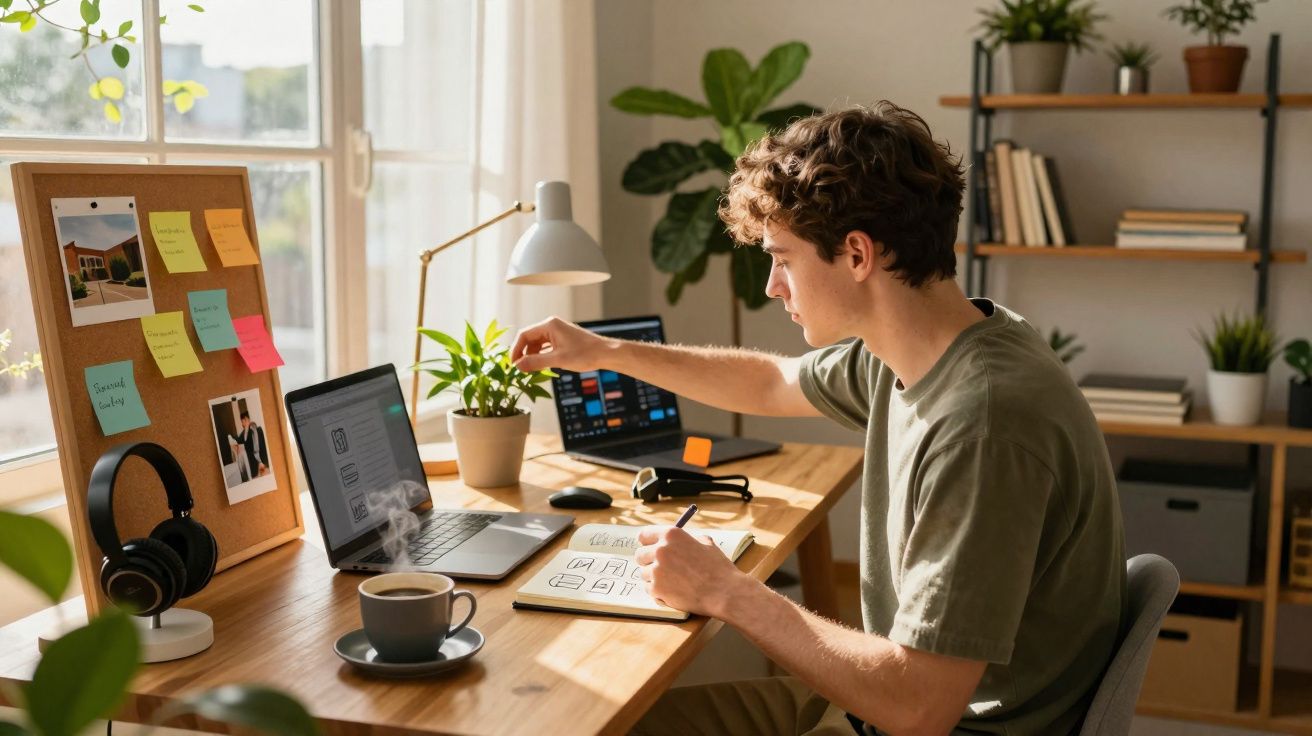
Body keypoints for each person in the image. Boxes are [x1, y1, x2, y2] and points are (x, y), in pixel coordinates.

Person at [511, 103, 1125, 735]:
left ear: (857, 254)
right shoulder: (931, 345)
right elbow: (773, 381)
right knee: (603, 725)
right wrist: (604, 353)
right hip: (876, 704)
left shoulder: (984, 426)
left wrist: (725, 591)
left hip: (924, 719)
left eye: (782, 257)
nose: (773, 286)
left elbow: (920, 707)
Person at [235, 410, 268, 479]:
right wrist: (246, 428)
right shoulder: (244, 434)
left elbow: (263, 446)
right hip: (253, 466)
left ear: (246, 419)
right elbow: (239, 441)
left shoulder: (258, 430)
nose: (242, 424)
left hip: (263, 462)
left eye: (242, 421)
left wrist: (265, 462)